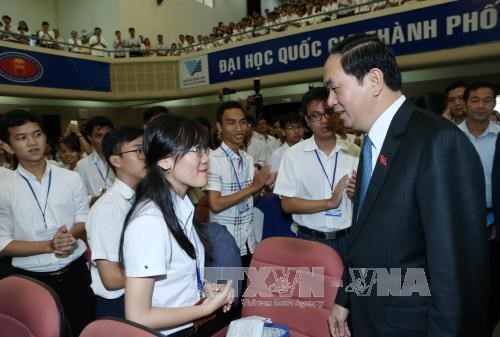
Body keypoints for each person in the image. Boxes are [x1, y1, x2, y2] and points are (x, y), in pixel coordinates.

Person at [324, 34, 489, 337]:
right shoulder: (373, 145)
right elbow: (369, 243)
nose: (330, 102)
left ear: (374, 80)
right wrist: (346, 298)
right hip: (371, 318)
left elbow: (455, 271)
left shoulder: (437, 142)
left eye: (335, 88)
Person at [120, 114, 233, 336]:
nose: (205, 158)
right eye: (195, 150)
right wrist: (205, 308)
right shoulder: (150, 222)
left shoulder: (179, 207)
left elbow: (177, 274)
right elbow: (138, 316)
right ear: (164, 161)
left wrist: (208, 290)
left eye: (204, 149)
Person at [0, 109, 96, 336]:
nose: (32, 142)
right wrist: (49, 245)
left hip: (76, 275)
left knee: (85, 330)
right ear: (7, 146)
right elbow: (2, 244)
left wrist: (68, 237)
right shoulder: (4, 188)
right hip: (32, 281)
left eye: (37, 134)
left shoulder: (70, 178)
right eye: (21, 137)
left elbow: (84, 217)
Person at [273, 88, 358, 260]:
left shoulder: (354, 152)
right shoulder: (293, 155)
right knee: (313, 288)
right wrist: (329, 202)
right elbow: (287, 204)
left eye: (328, 113)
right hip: (309, 240)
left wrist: (357, 194)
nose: (323, 120)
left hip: (348, 239)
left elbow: (367, 200)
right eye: (316, 115)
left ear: (336, 114)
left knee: (351, 287)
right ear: (307, 120)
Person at [87, 126, 145, 318]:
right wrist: (164, 270)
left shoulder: (141, 198)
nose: (146, 156)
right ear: (115, 160)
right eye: (138, 150)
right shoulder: (106, 209)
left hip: (140, 294)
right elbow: (111, 279)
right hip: (118, 304)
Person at [206, 101, 271, 267]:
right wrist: (253, 187)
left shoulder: (247, 159)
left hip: (248, 241)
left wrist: (261, 185)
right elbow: (215, 204)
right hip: (224, 243)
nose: (239, 128)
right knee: (226, 292)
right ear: (219, 126)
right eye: (231, 123)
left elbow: (251, 199)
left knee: (245, 292)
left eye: (243, 122)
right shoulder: (213, 160)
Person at [75, 116, 115, 202]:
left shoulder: (123, 159)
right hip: (96, 211)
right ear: (90, 138)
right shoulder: (83, 165)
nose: (104, 140)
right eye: (99, 136)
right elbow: (78, 195)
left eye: (107, 135)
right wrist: (94, 199)